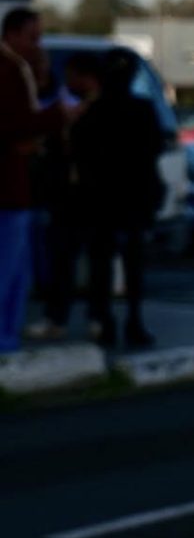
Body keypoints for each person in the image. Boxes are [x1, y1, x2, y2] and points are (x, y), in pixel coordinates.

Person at [70, 47, 163, 349]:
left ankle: (105, 320)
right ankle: (132, 321)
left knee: (101, 263)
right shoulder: (143, 110)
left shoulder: (91, 111)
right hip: (133, 198)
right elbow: (154, 150)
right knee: (133, 264)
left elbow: (79, 153)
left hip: (99, 199)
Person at [0, 9, 74, 354]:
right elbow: (16, 125)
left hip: (18, 186)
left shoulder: (18, 68)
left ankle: (8, 339)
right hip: (9, 187)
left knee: (17, 272)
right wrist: (57, 116)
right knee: (9, 271)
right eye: (32, 37)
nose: (37, 45)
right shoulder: (8, 70)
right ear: (12, 35)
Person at [26, 51, 99, 339]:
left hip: (81, 195)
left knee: (76, 258)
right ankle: (61, 316)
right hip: (61, 194)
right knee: (62, 258)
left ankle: (74, 317)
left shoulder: (83, 108)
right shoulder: (59, 104)